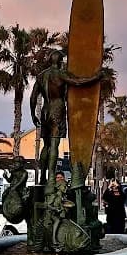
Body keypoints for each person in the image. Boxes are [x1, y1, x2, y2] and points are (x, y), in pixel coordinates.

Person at [30, 49, 103, 189]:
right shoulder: (60, 74)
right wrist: (95, 77)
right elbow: (78, 82)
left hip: (45, 110)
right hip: (57, 109)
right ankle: (51, 179)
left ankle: (43, 177)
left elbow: (33, 97)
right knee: (54, 145)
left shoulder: (41, 76)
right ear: (59, 61)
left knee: (46, 146)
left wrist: (33, 114)